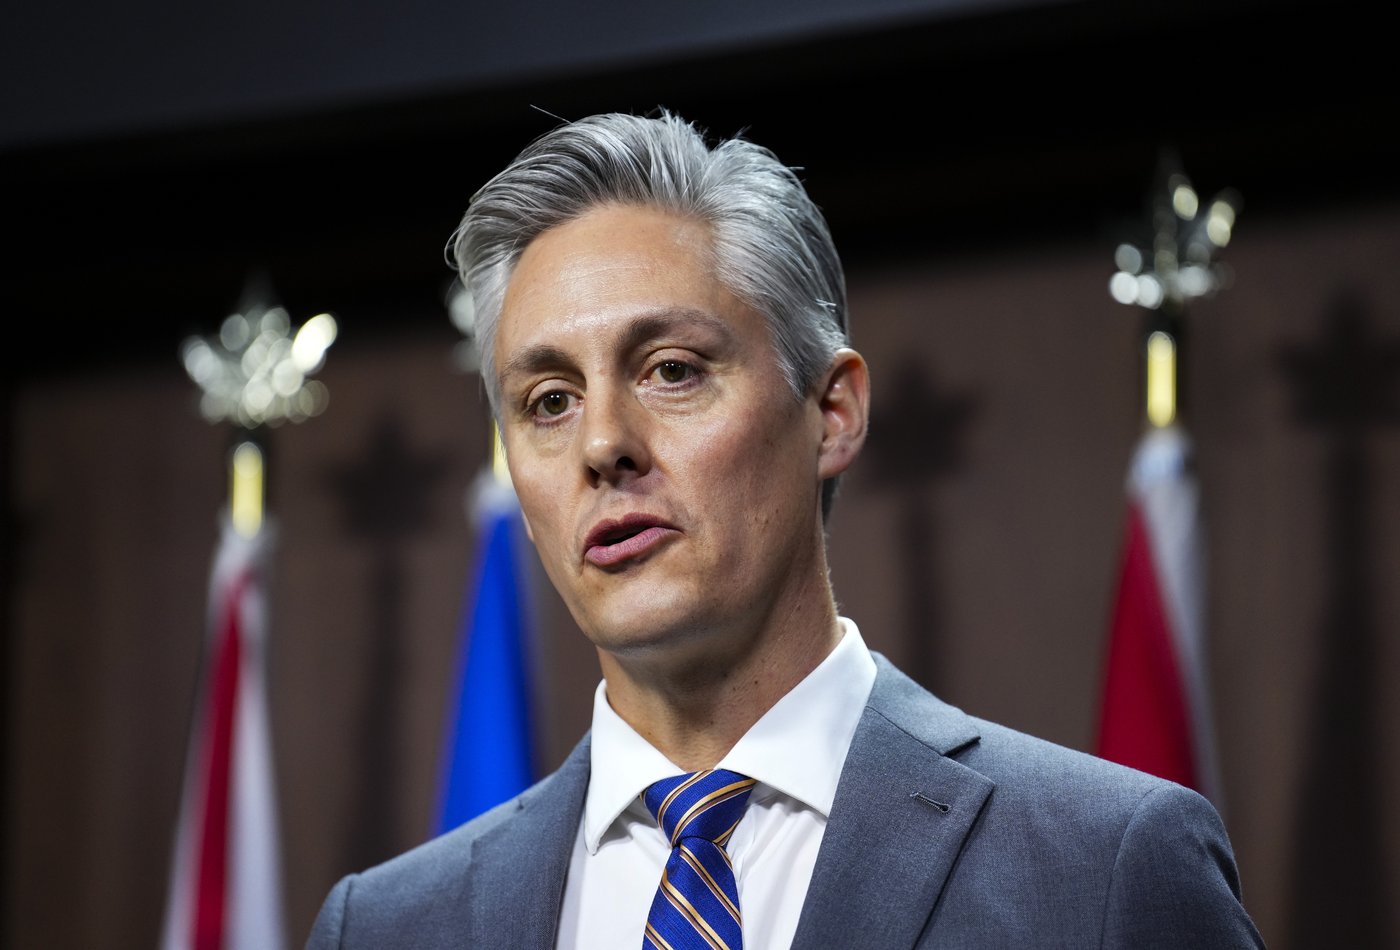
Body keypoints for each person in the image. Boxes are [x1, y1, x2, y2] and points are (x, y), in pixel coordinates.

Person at [306, 109, 1264, 949]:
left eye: (671, 370)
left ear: (832, 412)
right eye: (549, 400)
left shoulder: (1100, 871)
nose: (602, 445)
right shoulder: (385, 928)